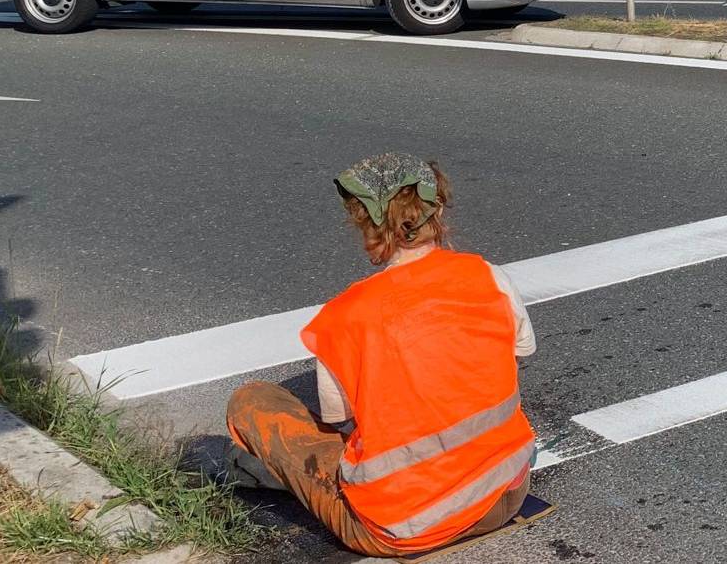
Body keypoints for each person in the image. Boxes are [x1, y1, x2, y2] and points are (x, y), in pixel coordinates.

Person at [225, 154, 537, 557]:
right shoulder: (489, 276)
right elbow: (519, 353)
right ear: (439, 212)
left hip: (405, 527)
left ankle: (264, 474)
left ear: (367, 227)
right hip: (506, 493)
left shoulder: (345, 317)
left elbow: (339, 418)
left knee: (250, 401)